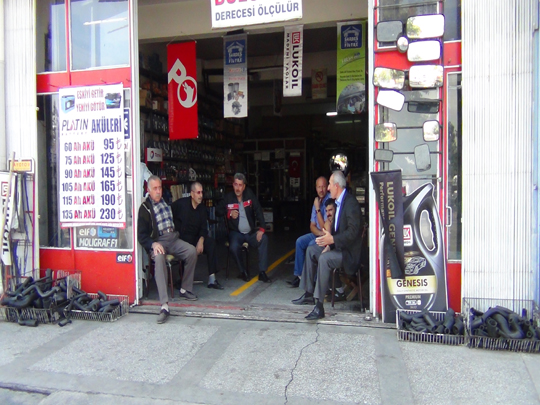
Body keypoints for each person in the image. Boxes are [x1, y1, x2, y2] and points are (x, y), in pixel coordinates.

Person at [292, 170, 362, 320]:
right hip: (338, 247)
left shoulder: (351, 203)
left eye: (329, 184)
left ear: (336, 186)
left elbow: (353, 232)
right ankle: (309, 293)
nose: (328, 188)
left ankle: (319, 306)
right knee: (311, 249)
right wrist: (329, 243)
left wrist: (333, 240)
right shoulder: (337, 203)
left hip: (348, 253)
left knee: (324, 259)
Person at [138, 175, 198, 324]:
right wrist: (153, 244)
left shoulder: (165, 201)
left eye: (160, 187)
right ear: (148, 190)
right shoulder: (145, 208)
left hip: (173, 238)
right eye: (155, 189)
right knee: (159, 258)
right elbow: (141, 235)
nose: (158, 191)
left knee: (191, 251)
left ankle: (185, 289)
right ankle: (164, 305)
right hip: (159, 241)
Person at [216, 173, 270, 283]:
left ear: (244, 186)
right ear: (233, 185)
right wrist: (229, 213)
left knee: (264, 239)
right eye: (236, 184)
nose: (238, 188)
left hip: (250, 233)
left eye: (240, 185)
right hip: (236, 233)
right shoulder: (228, 197)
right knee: (233, 247)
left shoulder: (249, 194)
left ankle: (262, 272)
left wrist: (262, 229)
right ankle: (242, 271)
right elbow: (217, 211)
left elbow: (258, 209)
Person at [171, 182, 223, 290]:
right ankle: (183, 280)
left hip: (196, 237)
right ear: (192, 194)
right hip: (183, 238)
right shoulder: (181, 204)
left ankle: (212, 279)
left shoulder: (202, 209)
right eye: (198, 193)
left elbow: (204, 227)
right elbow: (169, 213)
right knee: (187, 248)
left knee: (211, 243)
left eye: (201, 193)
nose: (201, 195)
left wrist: (201, 240)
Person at [287, 176, 329, 288]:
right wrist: (319, 233)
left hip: (326, 236)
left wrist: (318, 209)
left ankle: (312, 279)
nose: (321, 190)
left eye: (323, 187)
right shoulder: (316, 201)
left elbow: (324, 227)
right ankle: (300, 276)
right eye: (319, 187)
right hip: (318, 234)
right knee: (299, 242)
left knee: (311, 245)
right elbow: (312, 226)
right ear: (316, 188)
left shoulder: (329, 201)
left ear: (327, 187)